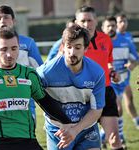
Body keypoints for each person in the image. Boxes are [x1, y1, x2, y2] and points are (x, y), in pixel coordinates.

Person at [46, 6, 124, 150]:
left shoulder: (105, 39)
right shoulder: (68, 44)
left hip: (105, 90)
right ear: (76, 22)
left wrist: (113, 72)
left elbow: (108, 62)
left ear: (96, 21)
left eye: (90, 20)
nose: (87, 24)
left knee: (115, 139)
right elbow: (55, 66)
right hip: (81, 95)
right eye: (83, 20)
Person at [37, 23, 105, 150]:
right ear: (62, 47)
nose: (72, 52)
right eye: (69, 47)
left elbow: (96, 110)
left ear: (86, 48)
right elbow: (34, 93)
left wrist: (75, 130)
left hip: (86, 128)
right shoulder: (46, 72)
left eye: (78, 47)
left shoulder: (97, 73)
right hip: (58, 129)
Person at [0, 4, 43, 123]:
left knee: (27, 133)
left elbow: (40, 70)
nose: (2, 21)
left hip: (24, 96)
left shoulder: (28, 43)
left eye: (6, 17)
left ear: (13, 21)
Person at [101, 15, 139, 148]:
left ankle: (102, 136)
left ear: (116, 27)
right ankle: (120, 138)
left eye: (113, 25)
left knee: (119, 108)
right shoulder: (99, 43)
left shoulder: (126, 41)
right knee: (117, 108)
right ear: (103, 28)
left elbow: (135, 59)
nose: (111, 28)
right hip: (107, 83)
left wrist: (132, 65)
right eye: (108, 26)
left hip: (123, 81)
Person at [116, 13, 139, 129]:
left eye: (125, 21)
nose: (123, 24)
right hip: (114, 78)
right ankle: (107, 134)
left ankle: (136, 122)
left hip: (125, 76)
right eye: (120, 21)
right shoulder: (112, 37)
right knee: (117, 108)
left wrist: (132, 64)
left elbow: (134, 56)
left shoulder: (129, 36)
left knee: (130, 100)